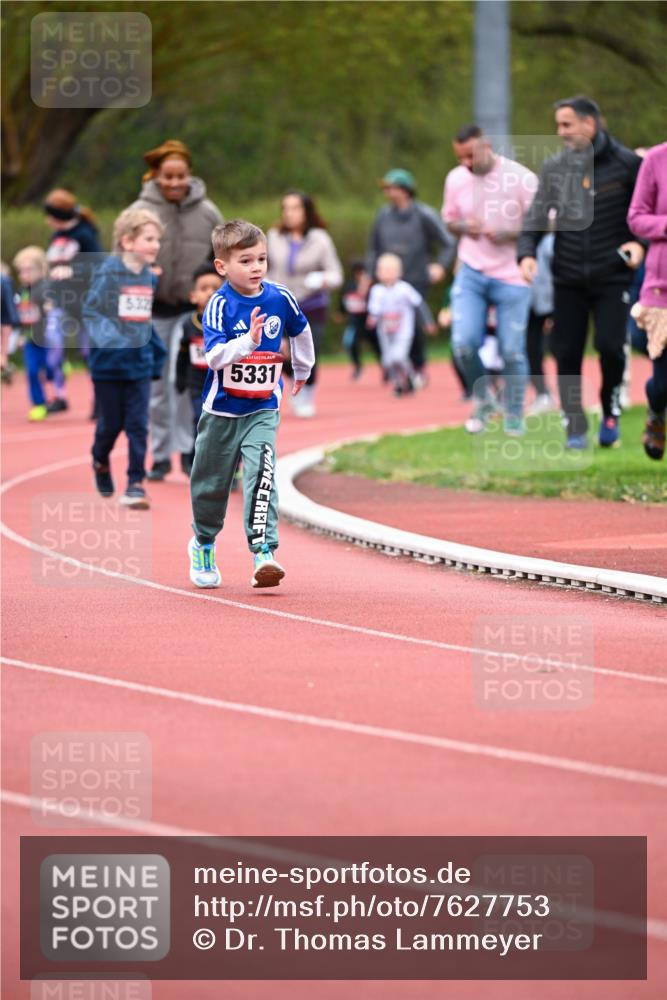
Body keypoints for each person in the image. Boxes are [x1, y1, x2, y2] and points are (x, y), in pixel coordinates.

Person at [188, 219, 314, 590]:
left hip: (262, 408)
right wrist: (248, 342)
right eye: (246, 261)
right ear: (222, 267)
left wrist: (303, 368)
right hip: (222, 411)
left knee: (262, 475)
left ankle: (263, 552)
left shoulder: (279, 297)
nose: (257, 267)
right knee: (210, 484)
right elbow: (214, 358)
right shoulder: (219, 305)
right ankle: (204, 542)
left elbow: (301, 329)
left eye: (261, 258)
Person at [518, 96, 645, 449]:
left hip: (612, 275)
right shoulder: (556, 169)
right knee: (566, 352)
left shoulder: (627, 164)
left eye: (566, 124)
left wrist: (640, 244)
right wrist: (526, 253)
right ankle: (575, 425)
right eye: (558, 125)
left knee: (610, 348)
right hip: (567, 277)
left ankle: (609, 412)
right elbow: (535, 219)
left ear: (590, 124)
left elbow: (646, 214)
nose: (560, 132)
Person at [130, 139, 224, 479]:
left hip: (195, 312)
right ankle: (158, 455)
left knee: (187, 382)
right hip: (154, 311)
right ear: (155, 176)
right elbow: (122, 257)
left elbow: (223, 257)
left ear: (189, 175)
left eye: (180, 176)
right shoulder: (140, 211)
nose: (173, 183)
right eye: (166, 176)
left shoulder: (208, 211)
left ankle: (188, 450)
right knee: (157, 385)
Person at [442, 125, 537, 435]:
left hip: (512, 273)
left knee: (512, 350)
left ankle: (513, 415)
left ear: (487, 146)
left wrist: (511, 234)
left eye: (471, 155)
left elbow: (545, 224)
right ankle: (483, 400)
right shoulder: (456, 178)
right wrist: (463, 225)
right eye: (460, 157)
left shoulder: (521, 178)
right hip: (471, 269)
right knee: (463, 345)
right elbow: (448, 220)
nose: (466, 163)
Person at [83, 208, 167, 509]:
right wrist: (112, 339)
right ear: (127, 242)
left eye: (158, 239)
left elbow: (142, 319)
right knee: (111, 425)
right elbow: (91, 311)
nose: (156, 245)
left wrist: (157, 353)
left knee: (138, 425)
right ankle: (100, 461)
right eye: (149, 239)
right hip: (108, 366)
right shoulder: (108, 273)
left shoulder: (149, 276)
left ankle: (135, 483)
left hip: (140, 365)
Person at [366, 168, 456, 385]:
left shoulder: (424, 214)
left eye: (392, 187)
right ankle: (392, 365)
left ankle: (418, 367)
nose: (387, 192)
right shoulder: (383, 216)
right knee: (380, 324)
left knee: (413, 325)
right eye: (386, 188)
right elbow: (373, 248)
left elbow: (448, 243)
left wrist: (440, 266)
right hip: (386, 279)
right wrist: (369, 275)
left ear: (405, 191)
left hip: (415, 277)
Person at [266, 191, 343, 417]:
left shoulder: (320, 239)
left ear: (306, 211)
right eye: (286, 208)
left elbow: (336, 274)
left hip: (311, 305)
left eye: (295, 208)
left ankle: (307, 391)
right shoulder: (273, 236)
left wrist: (321, 279)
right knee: (282, 352)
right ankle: (294, 383)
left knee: (309, 352)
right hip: (281, 304)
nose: (289, 213)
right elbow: (265, 266)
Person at [43, 188, 103, 413]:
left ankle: (98, 399)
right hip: (60, 301)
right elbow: (51, 268)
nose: (47, 220)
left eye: (51, 215)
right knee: (52, 343)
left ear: (60, 214)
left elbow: (98, 263)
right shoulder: (56, 236)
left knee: (88, 352)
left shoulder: (85, 234)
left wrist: (73, 270)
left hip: (83, 300)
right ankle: (59, 395)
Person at [627, 141, 667, 461]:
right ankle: (656, 411)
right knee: (663, 383)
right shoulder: (656, 159)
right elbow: (637, 217)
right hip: (661, 290)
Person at [175, 261, 224, 474]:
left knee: (224, 427)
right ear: (193, 296)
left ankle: (231, 468)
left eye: (216, 288)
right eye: (205, 289)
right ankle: (196, 461)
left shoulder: (228, 322)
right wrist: (180, 379)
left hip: (223, 385)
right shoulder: (188, 324)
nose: (210, 293)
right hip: (198, 385)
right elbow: (182, 354)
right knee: (201, 423)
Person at [367, 253, 436, 396]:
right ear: (377, 272)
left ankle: (409, 377)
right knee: (388, 362)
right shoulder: (376, 291)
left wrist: (428, 321)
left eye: (391, 270)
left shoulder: (404, 289)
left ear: (400, 272)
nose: (387, 274)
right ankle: (400, 384)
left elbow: (419, 304)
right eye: (384, 270)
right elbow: (374, 310)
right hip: (385, 333)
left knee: (398, 357)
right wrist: (372, 319)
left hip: (403, 332)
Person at [525, 231, 556, 414]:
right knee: (531, 349)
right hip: (528, 302)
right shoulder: (521, 242)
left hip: (554, 302)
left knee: (560, 348)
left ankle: (568, 392)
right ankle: (542, 394)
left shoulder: (551, 242)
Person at [337, 258, 379, 380]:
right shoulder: (349, 286)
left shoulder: (373, 286)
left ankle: (386, 368)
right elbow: (344, 300)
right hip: (354, 323)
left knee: (378, 346)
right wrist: (341, 312)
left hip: (370, 322)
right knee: (351, 344)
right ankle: (357, 367)